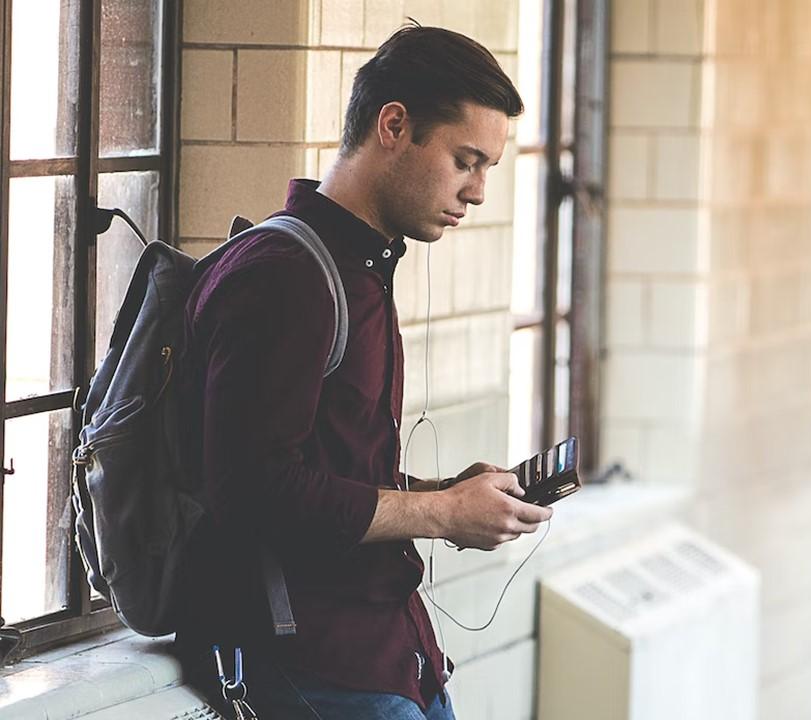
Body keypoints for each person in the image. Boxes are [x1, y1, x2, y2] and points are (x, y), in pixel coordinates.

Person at [174, 23, 552, 719]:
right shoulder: (285, 277)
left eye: (488, 169)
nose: (476, 192)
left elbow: (329, 477)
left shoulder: (359, 269)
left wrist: (447, 492)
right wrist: (440, 513)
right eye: (466, 159)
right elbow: (252, 490)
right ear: (395, 125)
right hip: (317, 665)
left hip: (389, 654)